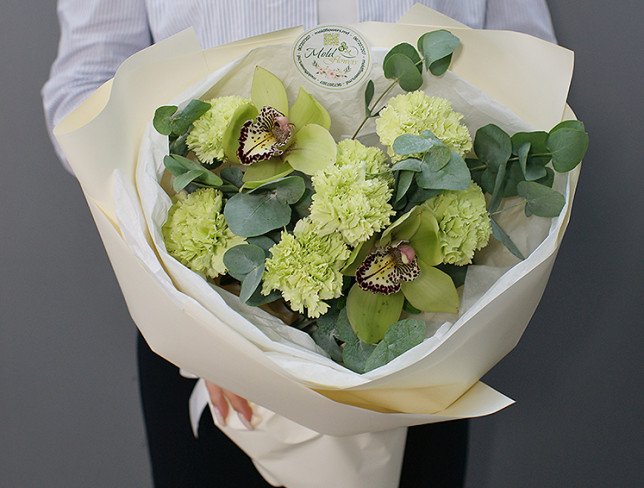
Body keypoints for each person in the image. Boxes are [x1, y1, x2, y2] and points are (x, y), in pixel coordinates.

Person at [43, 1, 556, 486]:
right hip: (208, 344)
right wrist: (209, 327)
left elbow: (531, 81)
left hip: (423, 348)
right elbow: (82, 94)